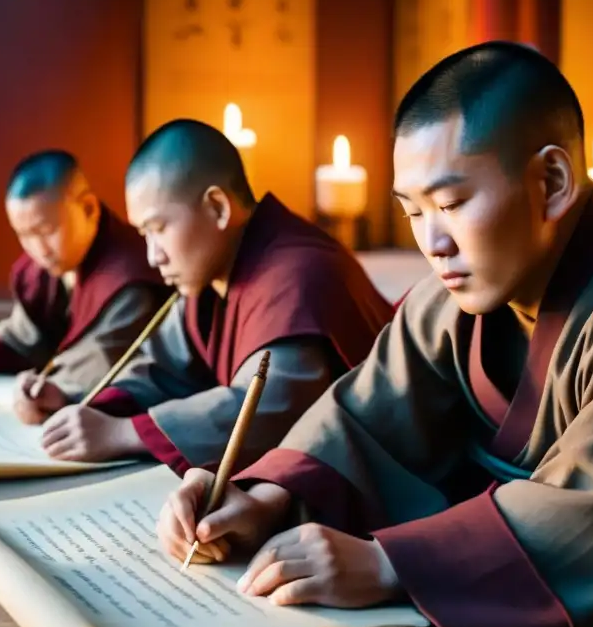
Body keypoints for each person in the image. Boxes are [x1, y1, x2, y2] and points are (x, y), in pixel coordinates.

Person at [156, 42, 593, 627]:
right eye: (413, 211)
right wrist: (264, 500)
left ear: (552, 183)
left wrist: (387, 566)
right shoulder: (460, 297)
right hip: (480, 591)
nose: (433, 243)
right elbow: (362, 421)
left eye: (451, 205)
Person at [39, 119, 394, 471]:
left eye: (159, 229)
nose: (152, 255)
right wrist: (88, 405)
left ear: (218, 208)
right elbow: (163, 368)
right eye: (144, 234)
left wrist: (123, 433)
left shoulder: (297, 273)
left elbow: (270, 407)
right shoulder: (213, 271)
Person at [0, 149, 171, 425]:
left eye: (45, 231)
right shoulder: (42, 271)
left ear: (88, 208)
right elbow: (22, 337)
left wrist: (49, 388)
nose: (38, 249)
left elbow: (102, 359)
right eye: (24, 235)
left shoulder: (130, 276)